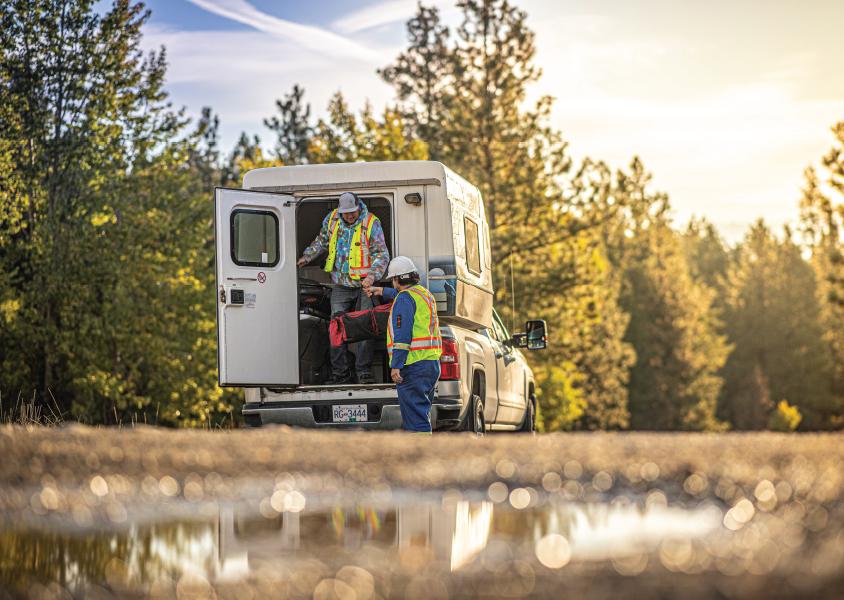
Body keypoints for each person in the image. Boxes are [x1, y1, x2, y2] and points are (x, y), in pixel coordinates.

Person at [298, 192, 389, 384]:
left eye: (352, 212)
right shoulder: (332, 221)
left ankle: (363, 372)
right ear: (340, 211)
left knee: (366, 326)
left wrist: (372, 276)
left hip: (365, 284)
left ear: (358, 207)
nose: (349, 216)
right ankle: (341, 374)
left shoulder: (371, 223)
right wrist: (306, 257)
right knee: (336, 327)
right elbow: (321, 242)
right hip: (341, 284)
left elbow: (381, 253)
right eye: (346, 213)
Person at [366, 256, 442, 433]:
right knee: (422, 414)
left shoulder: (404, 300)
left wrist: (396, 365)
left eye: (392, 279)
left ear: (397, 279)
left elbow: (402, 336)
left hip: (412, 365)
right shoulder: (424, 294)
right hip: (430, 364)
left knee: (415, 420)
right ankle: (423, 452)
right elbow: (403, 295)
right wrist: (381, 291)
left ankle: (419, 456)